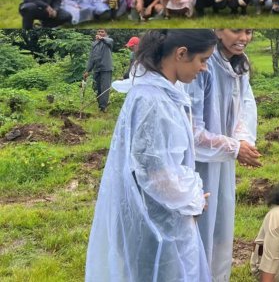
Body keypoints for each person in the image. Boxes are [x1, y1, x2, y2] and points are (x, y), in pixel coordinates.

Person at [85, 30, 216, 282]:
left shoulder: (159, 93)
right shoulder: (153, 102)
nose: (205, 68)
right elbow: (155, 174)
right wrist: (192, 198)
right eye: (203, 59)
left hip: (158, 218)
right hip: (155, 224)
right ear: (181, 54)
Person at [186, 29, 262, 281]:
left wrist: (242, 140)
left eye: (249, 31)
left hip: (223, 158)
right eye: (236, 30)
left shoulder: (240, 64)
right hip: (196, 162)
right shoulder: (202, 64)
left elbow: (245, 105)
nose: (243, 37)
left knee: (220, 225)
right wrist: (234, 147)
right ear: (218, 29)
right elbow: (193, 131)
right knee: (197, 224)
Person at [83, 29, 113, 112]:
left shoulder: (108, 42)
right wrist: (87, 70)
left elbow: (110, 41)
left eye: (102, 32)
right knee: (96, 87)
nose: (100, 33)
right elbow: (91, 58)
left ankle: (103, 107)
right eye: (98, 32)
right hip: (97, 69)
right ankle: (102, 104)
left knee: (105, 87)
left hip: (106, 69)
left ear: (106, 33)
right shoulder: (94, 44)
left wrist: (102, 38)